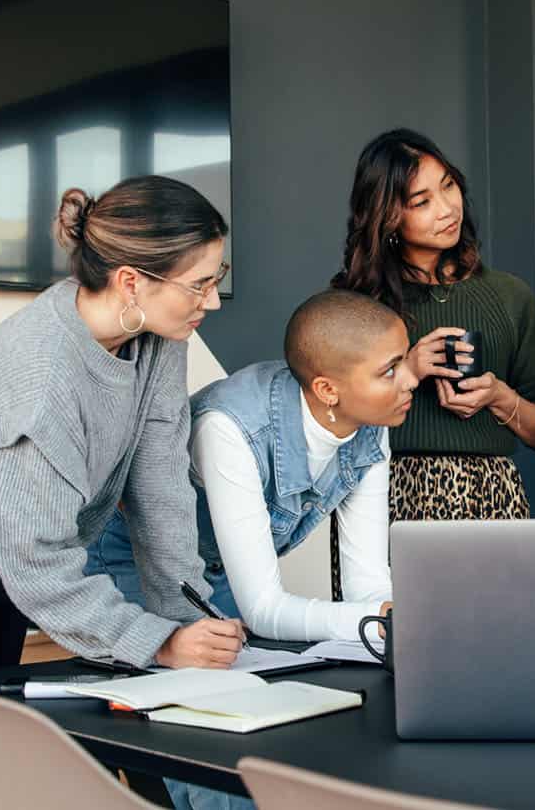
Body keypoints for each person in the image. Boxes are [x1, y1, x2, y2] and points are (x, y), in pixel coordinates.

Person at [0, 177, 244, 810]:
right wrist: (159, 644)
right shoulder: (37, 378)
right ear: (133, 281)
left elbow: (160, 487)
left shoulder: (158, 338)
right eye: (200, 283)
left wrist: (190, 617)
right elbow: (36, 566)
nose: (212, 302)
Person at [122, 290, 416, 810]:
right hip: (138, 556)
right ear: (328, 388)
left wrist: (388, 615)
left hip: (220, 570)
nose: (411, 380)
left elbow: (368, 584)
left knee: (262, 720)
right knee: (208, 738)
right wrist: (376, 621)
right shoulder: (231, 429)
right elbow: (264, 610)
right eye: (390, 370)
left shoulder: (371, 429)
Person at [329, 129, 535, 593]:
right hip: (381, 503)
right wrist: (408, 371)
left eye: (448, 186)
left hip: (493, 501)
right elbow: (326, 425)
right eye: (421, 201)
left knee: (500, 649)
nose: (447, 208)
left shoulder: (508, 296)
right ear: (386, 216)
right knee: (389, 650)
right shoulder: (355, 304)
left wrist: (500, 398)